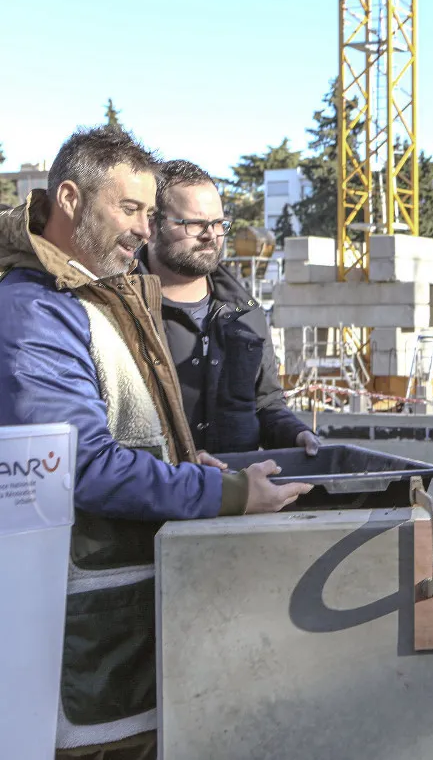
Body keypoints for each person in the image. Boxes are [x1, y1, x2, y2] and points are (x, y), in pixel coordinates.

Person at [0, 126, 310, 760]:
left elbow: (118, 429)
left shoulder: (94, 296)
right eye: (131, 209)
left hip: (123, 626)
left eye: (148, 212)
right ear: (70, 198)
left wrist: (176, 458)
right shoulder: (37, 311)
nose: (143, 230)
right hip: (83, 641)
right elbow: (79, 466)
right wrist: (224, 491)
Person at [135, 159, 318, 456]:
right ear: (153, 226)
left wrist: (296, 434)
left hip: (242, 495)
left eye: (219, 223)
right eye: (194, 223)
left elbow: (266, 404)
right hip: (154, 496)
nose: (211, 235)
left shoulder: (246, 314)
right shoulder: (123, 311)